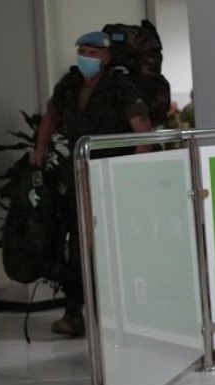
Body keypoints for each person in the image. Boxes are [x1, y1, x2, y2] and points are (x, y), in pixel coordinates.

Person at [31, 30, 153, 336]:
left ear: (107, 57)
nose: (86, 57)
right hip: (78, 174)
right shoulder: (70, 84)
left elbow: (143, 130)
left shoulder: (120, 86)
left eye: (93, 53)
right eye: (83, 51)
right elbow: (51, 116)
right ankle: (74, 313)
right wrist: (40, 149)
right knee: (76, 245)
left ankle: (119, 315)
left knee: (114, 245)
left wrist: (136, 173)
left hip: (112, 175)